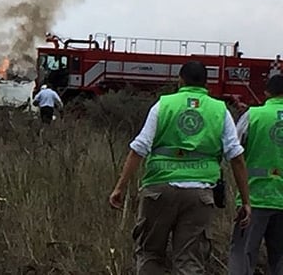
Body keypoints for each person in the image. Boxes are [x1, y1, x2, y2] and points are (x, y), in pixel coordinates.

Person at [108, 60, 251, 274]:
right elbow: (236, 157)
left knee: (150, 255)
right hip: (200, 195)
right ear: (206, 83)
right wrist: (245, 200)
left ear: (180, 80)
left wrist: (120, 187)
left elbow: (139, 148)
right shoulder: (220, 110)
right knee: (190, 262)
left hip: (159, 190)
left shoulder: (163, 105)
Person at [228, 74, 283, 274]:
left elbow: (233, 148)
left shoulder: (253, 115)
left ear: (267, 92)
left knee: (242, 255)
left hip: (254, 197)